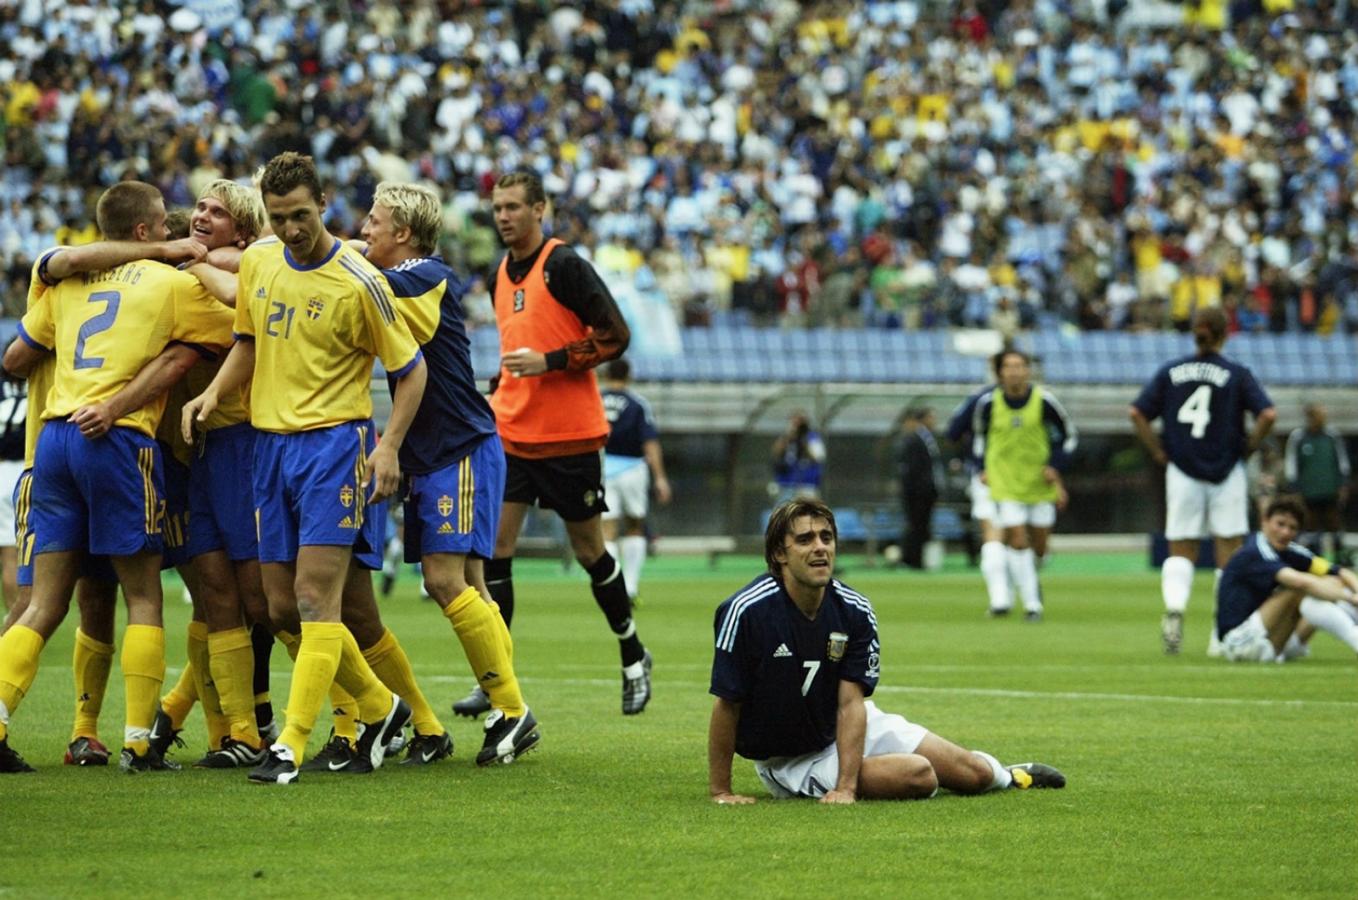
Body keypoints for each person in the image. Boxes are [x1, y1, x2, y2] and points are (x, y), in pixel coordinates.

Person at [182, 151, 428, 783]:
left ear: (323, 206)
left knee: (317, 597)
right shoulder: (262, 260)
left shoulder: (359, 279)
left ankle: (289, 744)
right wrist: (213, 394)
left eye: (300, 215)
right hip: (269, 449)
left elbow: (410, 371)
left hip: (332, 449)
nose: (290, 229)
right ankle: (380, 708)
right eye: (278, 217)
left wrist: (390, 446)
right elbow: (248, 340)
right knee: (278, 607)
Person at [0, 181, 233, 773]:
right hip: (118, 439)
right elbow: (244, 324)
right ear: (146, 231)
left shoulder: (63, 282)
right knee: (143, 595)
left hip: (52, 437)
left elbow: (18, 354)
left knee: (41, 605)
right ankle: (136, 740)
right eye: (163, 227)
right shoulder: (171, 282)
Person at [707, 497, 1065, 804]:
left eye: (826, 537)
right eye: (805, 539)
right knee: (919, 775)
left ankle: (1010, 775)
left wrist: (847, 787)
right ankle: (844, 775)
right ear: (779, 553)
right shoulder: (747, 611)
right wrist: (720, 791)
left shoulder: (855, 610)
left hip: (839, 726)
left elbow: (851, 703)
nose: (820, 547)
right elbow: (728, 704)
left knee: (971, 773)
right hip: (791, 759)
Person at [354, 180, 537, 766]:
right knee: (472, 588)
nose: (364, 230)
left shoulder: (425, 275)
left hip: (456, 447)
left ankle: (512, 711)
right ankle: (504, 706)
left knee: (443, 580)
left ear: (402, 234)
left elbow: (352, 278)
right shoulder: (410, 276)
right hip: (444, 451)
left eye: (373, 222)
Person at [458, 170, 649, 720]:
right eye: (497, 207)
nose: (503, 216)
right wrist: (498, 388)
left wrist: (554, 362)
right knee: (494, 552)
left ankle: (633, 654)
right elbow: (517, 348)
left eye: (514, 206)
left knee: (591, 553)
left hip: (569, 438)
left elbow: (616, 335)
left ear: (540, 209)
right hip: (512, 433)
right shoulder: (499, 272)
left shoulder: (563, 266)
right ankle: (497, 682)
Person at [1130, 306, 1276, 655]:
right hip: (1226, 470)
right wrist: (1249, 448)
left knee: (1181, 547)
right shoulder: (1237, 373)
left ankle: (1175, 610)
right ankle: (1220, 632)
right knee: (1230, 554)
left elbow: (1137, 413)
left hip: (1182, 469)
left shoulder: (1171, 371)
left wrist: (1158, 452)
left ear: (1195, 331)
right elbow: (1268, 414)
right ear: (1225, 332)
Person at [972, 350, 1077, 621]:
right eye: (1009, 366)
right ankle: (1032, 605)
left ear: (1028, 370)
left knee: (1039, 547)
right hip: (1005, 483)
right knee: (1017, 538)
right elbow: (978, 440)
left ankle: (1028, 580)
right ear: (1000, 372)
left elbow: (1069, 437)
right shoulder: (988, 403)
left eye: (1019, 366)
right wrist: (982, 468)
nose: (1014, 371)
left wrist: (1056, 465)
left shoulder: (1044, 401)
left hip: (1038, 484)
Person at [1215, 495, 1358, 662]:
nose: (1285, 532)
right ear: (1265, 521)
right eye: (1280, 524)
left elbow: (1341, 572)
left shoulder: (1291, 551)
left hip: (1268, 641)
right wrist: (1349, 597)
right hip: (1238, 642)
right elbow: (1299, 582)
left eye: (1292, 528)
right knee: (1301, 589)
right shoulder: (1254, 551)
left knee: (1330, 583)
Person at [600, 357, 672, 603]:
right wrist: (660, 478)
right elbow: (650, 442)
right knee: (634, 526)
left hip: (602, 467)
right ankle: (630, 587)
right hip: (632, 469)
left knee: (607, 530)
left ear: (607, 374)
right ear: (628, 375)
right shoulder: (638, 404)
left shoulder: (595, 400)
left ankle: (612, 586)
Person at [946, 383, 1011, 610]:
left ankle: (1014, 589)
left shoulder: (1039, 400)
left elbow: (953, 432)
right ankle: (1000, 598)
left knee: (1021, 538)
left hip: (1026, 479)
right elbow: (954, 430)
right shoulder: (983, 400)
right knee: (994, 532)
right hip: (987, 476)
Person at [1284, 403, 1350, 561]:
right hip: (1308, 491)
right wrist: (1294, 488)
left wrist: (1343, 484)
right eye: (1319, 415)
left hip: (1330, 489)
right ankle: (1313, 558)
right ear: (1310, 417)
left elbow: (1342, 462)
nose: (1322, 419)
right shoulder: (1298, 437)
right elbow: (1291, 464)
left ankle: (1341, 558)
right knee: (1310, 525)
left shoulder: (1332, 436)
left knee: (1333, 523)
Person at [897, 406, 941, 570]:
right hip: (917, 493)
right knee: (916, 525)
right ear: (923, 419)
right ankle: (912, 560)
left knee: (922, 526)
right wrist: (917, 489)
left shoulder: (927, 438)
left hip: (927, 491)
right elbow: (913, 469)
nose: (934, 421)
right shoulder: (915, 439)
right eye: (931, 417)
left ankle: (916, 558)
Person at [770, 411, 826, 502]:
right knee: (786, 512)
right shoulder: (787, 438)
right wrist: (787, 438)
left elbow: (818, 457)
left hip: (807, 484)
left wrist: (804, 442)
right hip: (787, 484)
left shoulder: (812, 437)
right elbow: (776, 452)